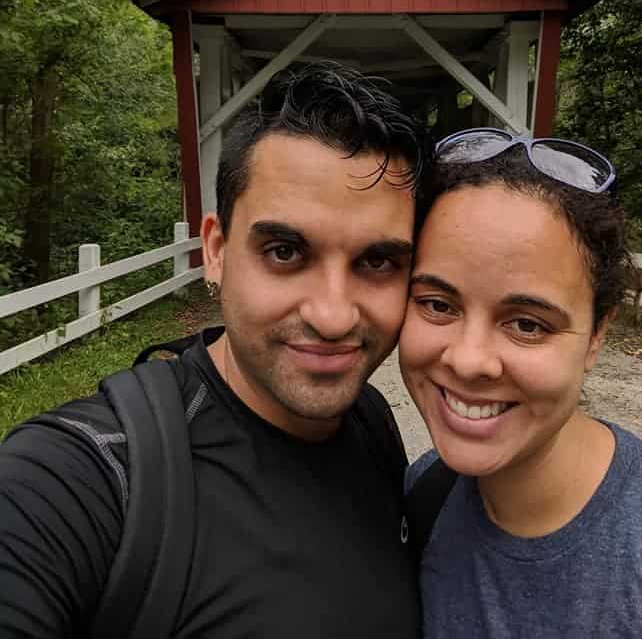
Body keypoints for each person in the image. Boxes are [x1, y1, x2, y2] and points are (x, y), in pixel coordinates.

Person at [0, 62, 433, 638]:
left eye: (377, 262)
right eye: (285, 252)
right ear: (217, 250)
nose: (332, 316)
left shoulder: (371, 422)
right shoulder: (75, 479)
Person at [399, 128, 642, 638]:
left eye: (527, 323)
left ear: (597, 335)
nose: (469, 361)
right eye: (438, 305)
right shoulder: (423, 496)